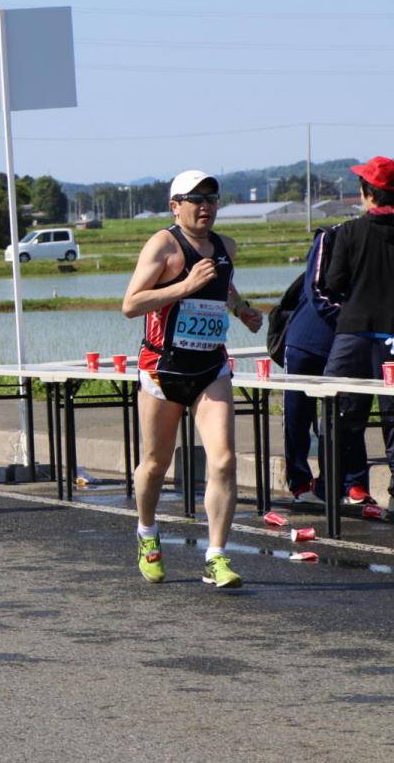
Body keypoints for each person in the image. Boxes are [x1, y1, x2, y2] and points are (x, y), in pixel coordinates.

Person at [122, 170, 263, 588]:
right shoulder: (163, 244)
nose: (205, 206)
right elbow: (131, 304)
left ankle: (216, 556)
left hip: (210, 368)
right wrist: (184, 286)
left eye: (212, 198)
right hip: (163, 370)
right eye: (195, 198)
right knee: (155, 464)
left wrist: (242, 311)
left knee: (223, 459)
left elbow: (225, 287)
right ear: (175, 205)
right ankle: (147, 534)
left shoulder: (226, 247)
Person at [323, 156, 394, 506]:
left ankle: (342, 485)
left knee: (340, 412)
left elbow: (333, 283)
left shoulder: (350, 232)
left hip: (353, 333)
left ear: (367, 192)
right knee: (393, 417)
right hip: (392, 336)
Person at [281, 215, 341, 507]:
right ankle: (300, 481)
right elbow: (315, 290)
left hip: (345, 343)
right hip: (307, 339)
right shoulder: (332, 236)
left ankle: (337, 483)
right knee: (297, 416)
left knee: (340, 416)